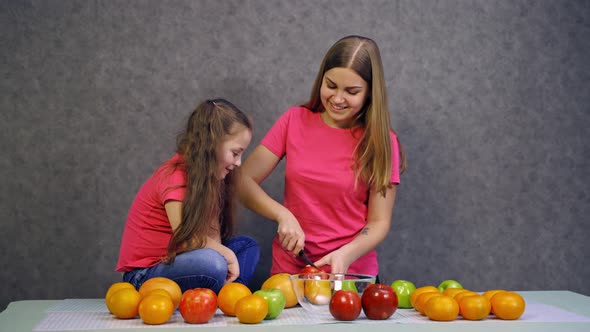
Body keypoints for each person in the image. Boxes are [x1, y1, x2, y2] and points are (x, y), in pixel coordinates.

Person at [238, 35, 406, 278]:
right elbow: (242, 182)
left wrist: (346, 254)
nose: (337, 99)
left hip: (351, 277)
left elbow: (379, 222)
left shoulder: (383, 141)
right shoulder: (293, 121)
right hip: (290, 274)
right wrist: (282, 214)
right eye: (331, 85)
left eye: (352, 91)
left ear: (370, 93)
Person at [116, 98, 259, 294]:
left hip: (184, 259)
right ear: (211, 144)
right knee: (214, 263)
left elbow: (212, 236)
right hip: (146, 273)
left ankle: (227, 294)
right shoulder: (175, 177)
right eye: (235, 153)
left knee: (247, 246)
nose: (239, 163)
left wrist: (224, 253)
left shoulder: (210, 179)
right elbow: (187, 239)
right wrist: (226, 256)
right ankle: (219, 289)